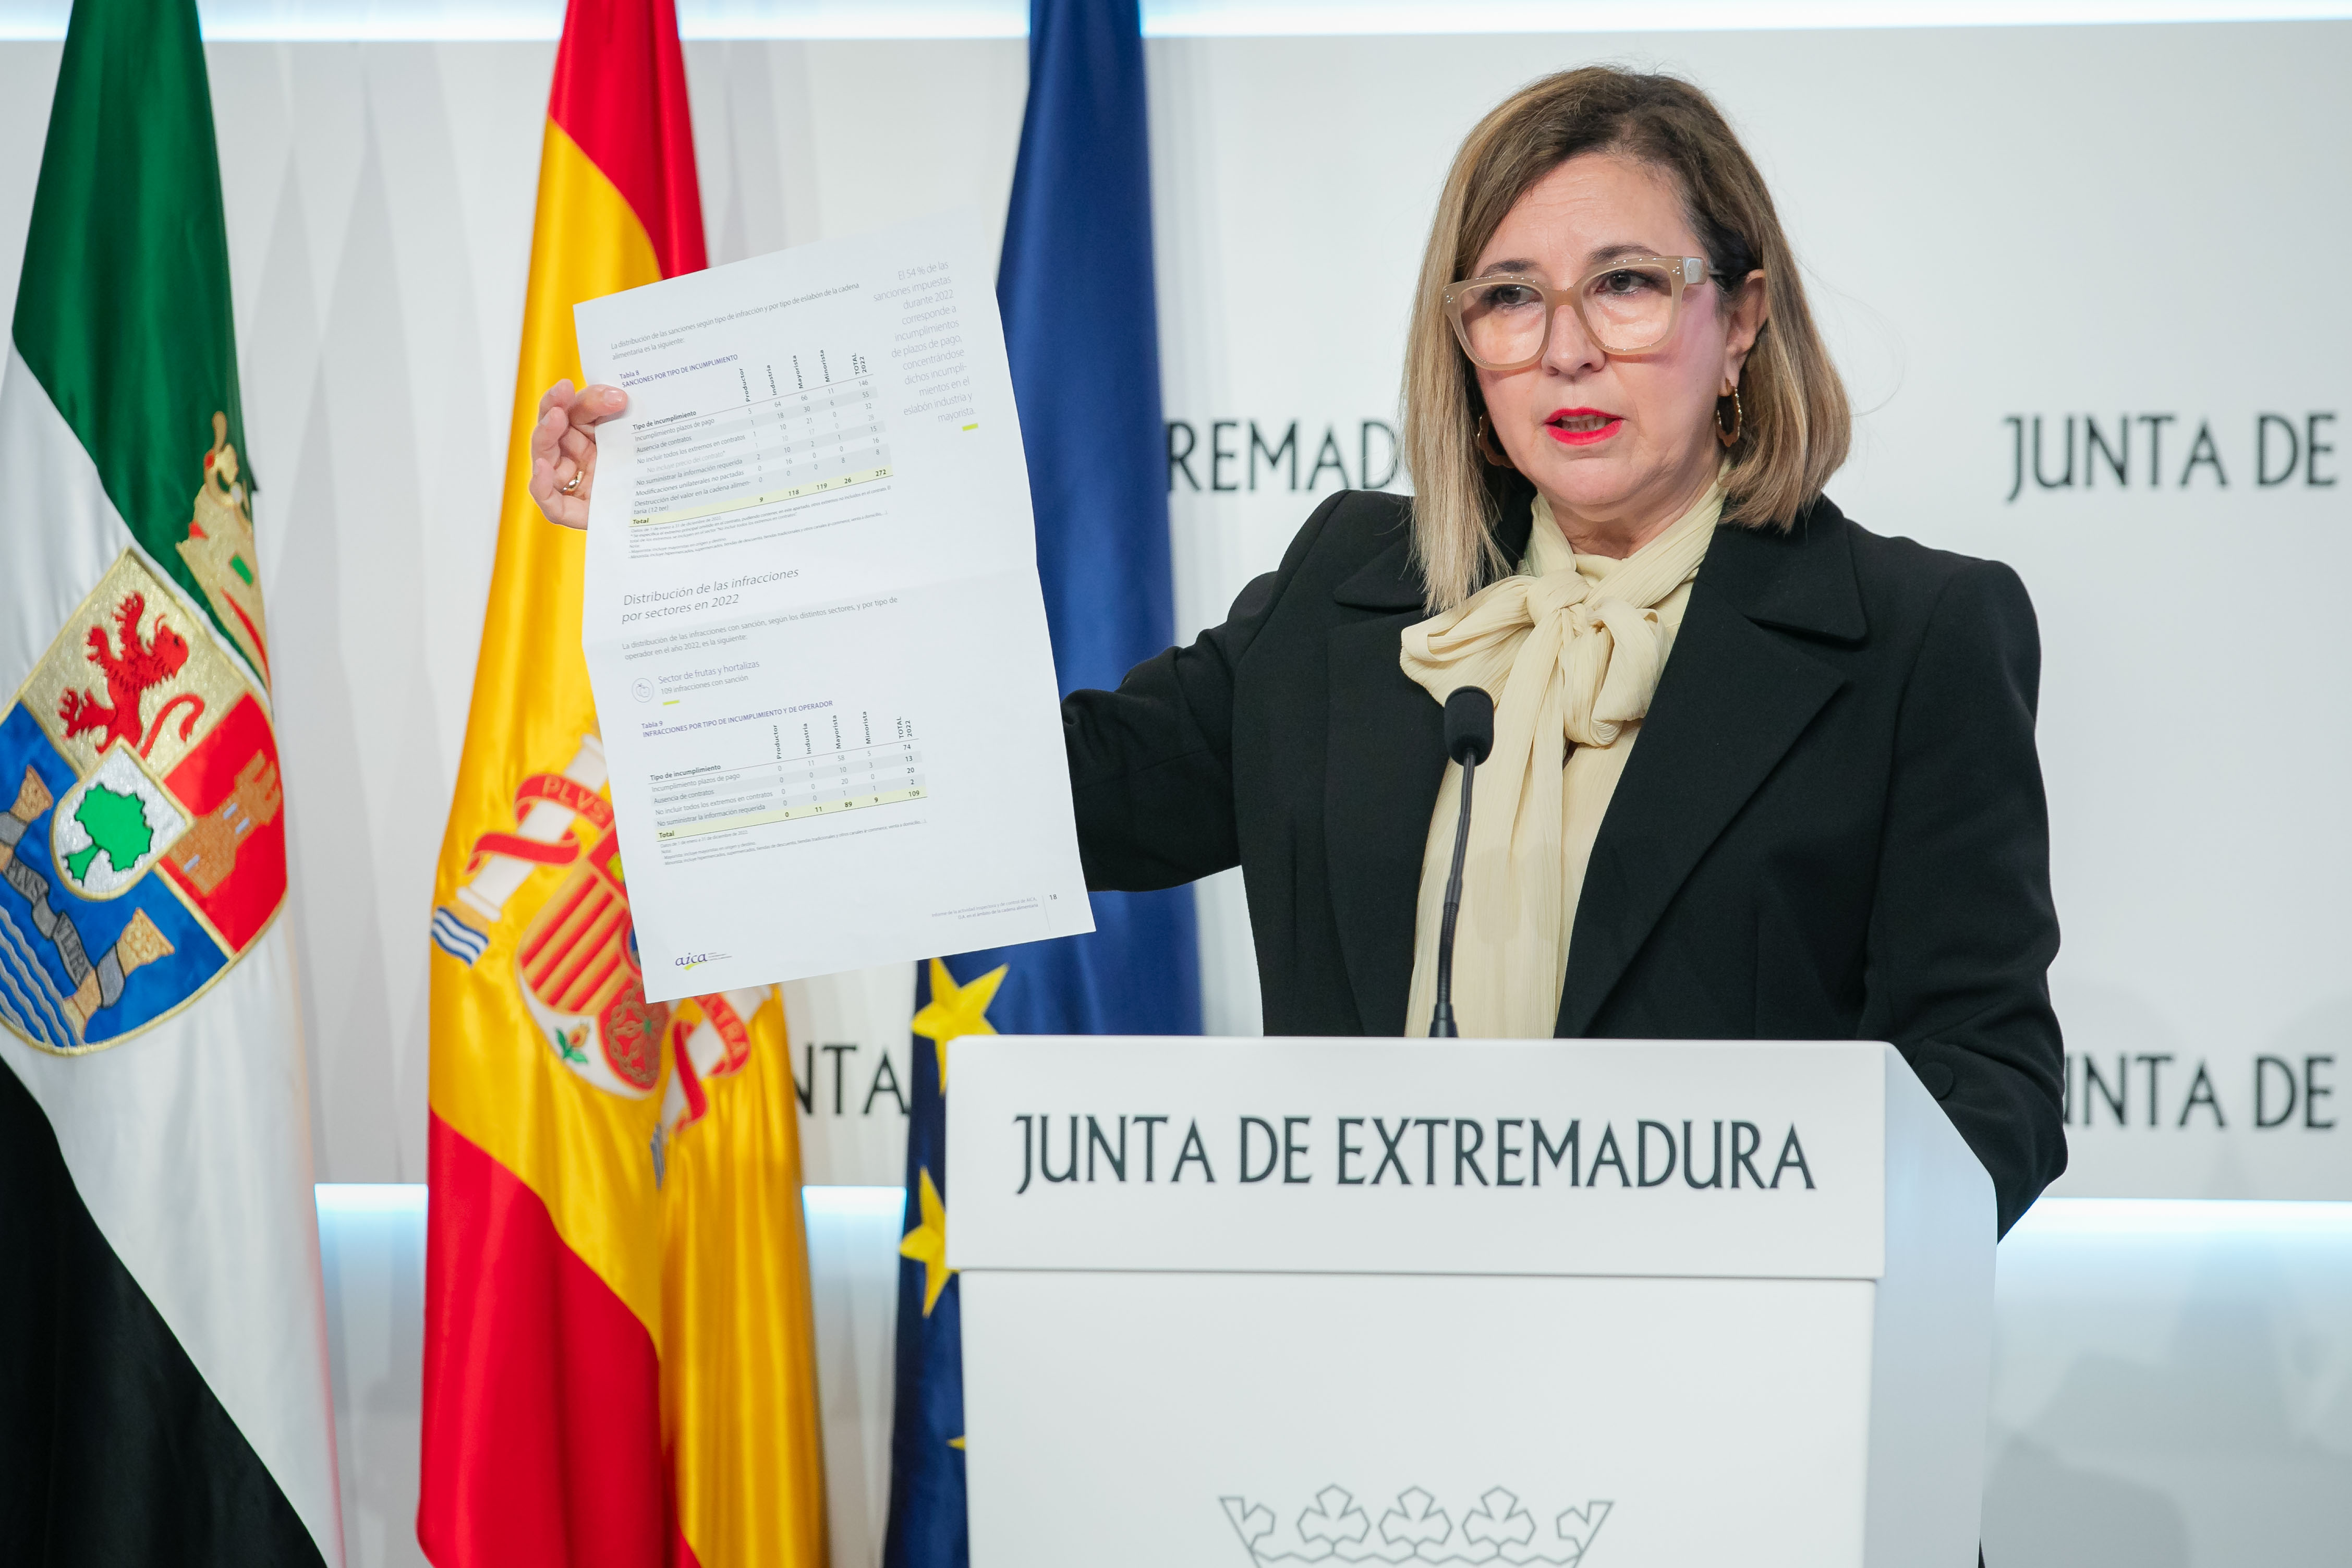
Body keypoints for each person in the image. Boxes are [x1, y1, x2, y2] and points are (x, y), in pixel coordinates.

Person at [529, 67, 2065, 1237]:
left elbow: (1989, 1086)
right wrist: (699, 542)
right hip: (1368, 1398)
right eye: (1511, 299)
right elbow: (1056, 791)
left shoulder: (1919, 637)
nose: (1568, 349)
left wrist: (1783, 1260)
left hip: (1749, 1427)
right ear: (1465, 345)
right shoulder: (1357, 587)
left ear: (1740, 323)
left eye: (1628, 284)